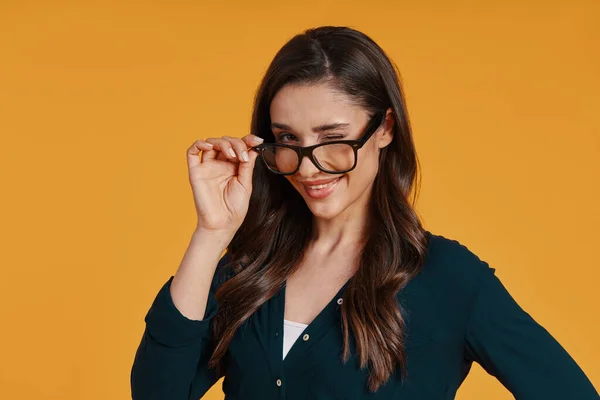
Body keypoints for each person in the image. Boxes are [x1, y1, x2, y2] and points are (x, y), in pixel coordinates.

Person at [130, 26, 598, 399]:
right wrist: (211, 233)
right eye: (288, 140)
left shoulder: (450, 279)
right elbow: (157, 393)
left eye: (332, 138)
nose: (309, 167)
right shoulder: (244, 270)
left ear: (385, 128)